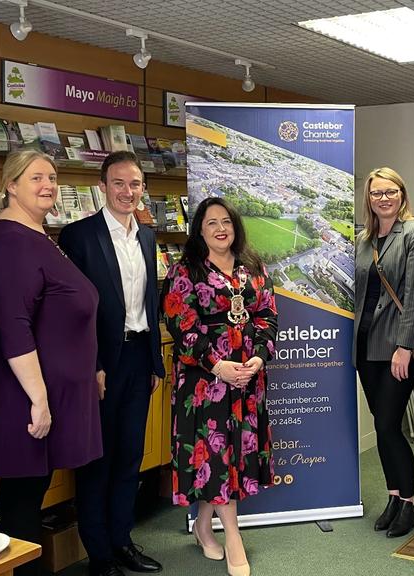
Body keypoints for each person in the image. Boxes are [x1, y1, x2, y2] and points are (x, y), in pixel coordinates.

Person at [0, 150, 102, 576]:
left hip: (47, 391)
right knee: (21, 502)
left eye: (52, 177)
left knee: (30, 494)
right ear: (11, 185)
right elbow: (13, 325)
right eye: (36, 178)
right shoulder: (11, 240)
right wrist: (39, 399)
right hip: (26, 396)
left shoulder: (36, 233)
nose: (48, 185)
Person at [59, 151, 166, 576]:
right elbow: (73, 311)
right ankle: (99, 555)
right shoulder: (79, 236)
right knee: (97, 460)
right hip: (102, 363)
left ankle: (122, 541)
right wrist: (94, 364)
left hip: (139, 358)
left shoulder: (147, 237)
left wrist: (155, 361)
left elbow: (150, 302)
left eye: (135, 184)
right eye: (118, 183)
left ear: (143, 189)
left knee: (129, 456)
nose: (127, 191)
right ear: (102, 186)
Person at [162, 196, 278, 576]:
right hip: (205, 382)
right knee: (216, 457)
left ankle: (202, 526)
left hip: (247, 379)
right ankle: (233, 536)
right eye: (211, 222)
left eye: (226, 221)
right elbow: (182, 326)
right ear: (199, 230)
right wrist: (217, 365)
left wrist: (258, 358)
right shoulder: (185, 271)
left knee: (232, 457)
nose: (220, 228)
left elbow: (267, 316)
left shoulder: (253, 266)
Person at [352, 167, 414, 538]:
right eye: (376, 193)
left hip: (396, 347)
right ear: (368, 199)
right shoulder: (363, 238)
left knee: (387, 425)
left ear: (402, 194)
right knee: (383, 427)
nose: (383, 198)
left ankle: (409, 502)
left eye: (390, 192)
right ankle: (394, 496)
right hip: (365, 345)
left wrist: (406, 346)